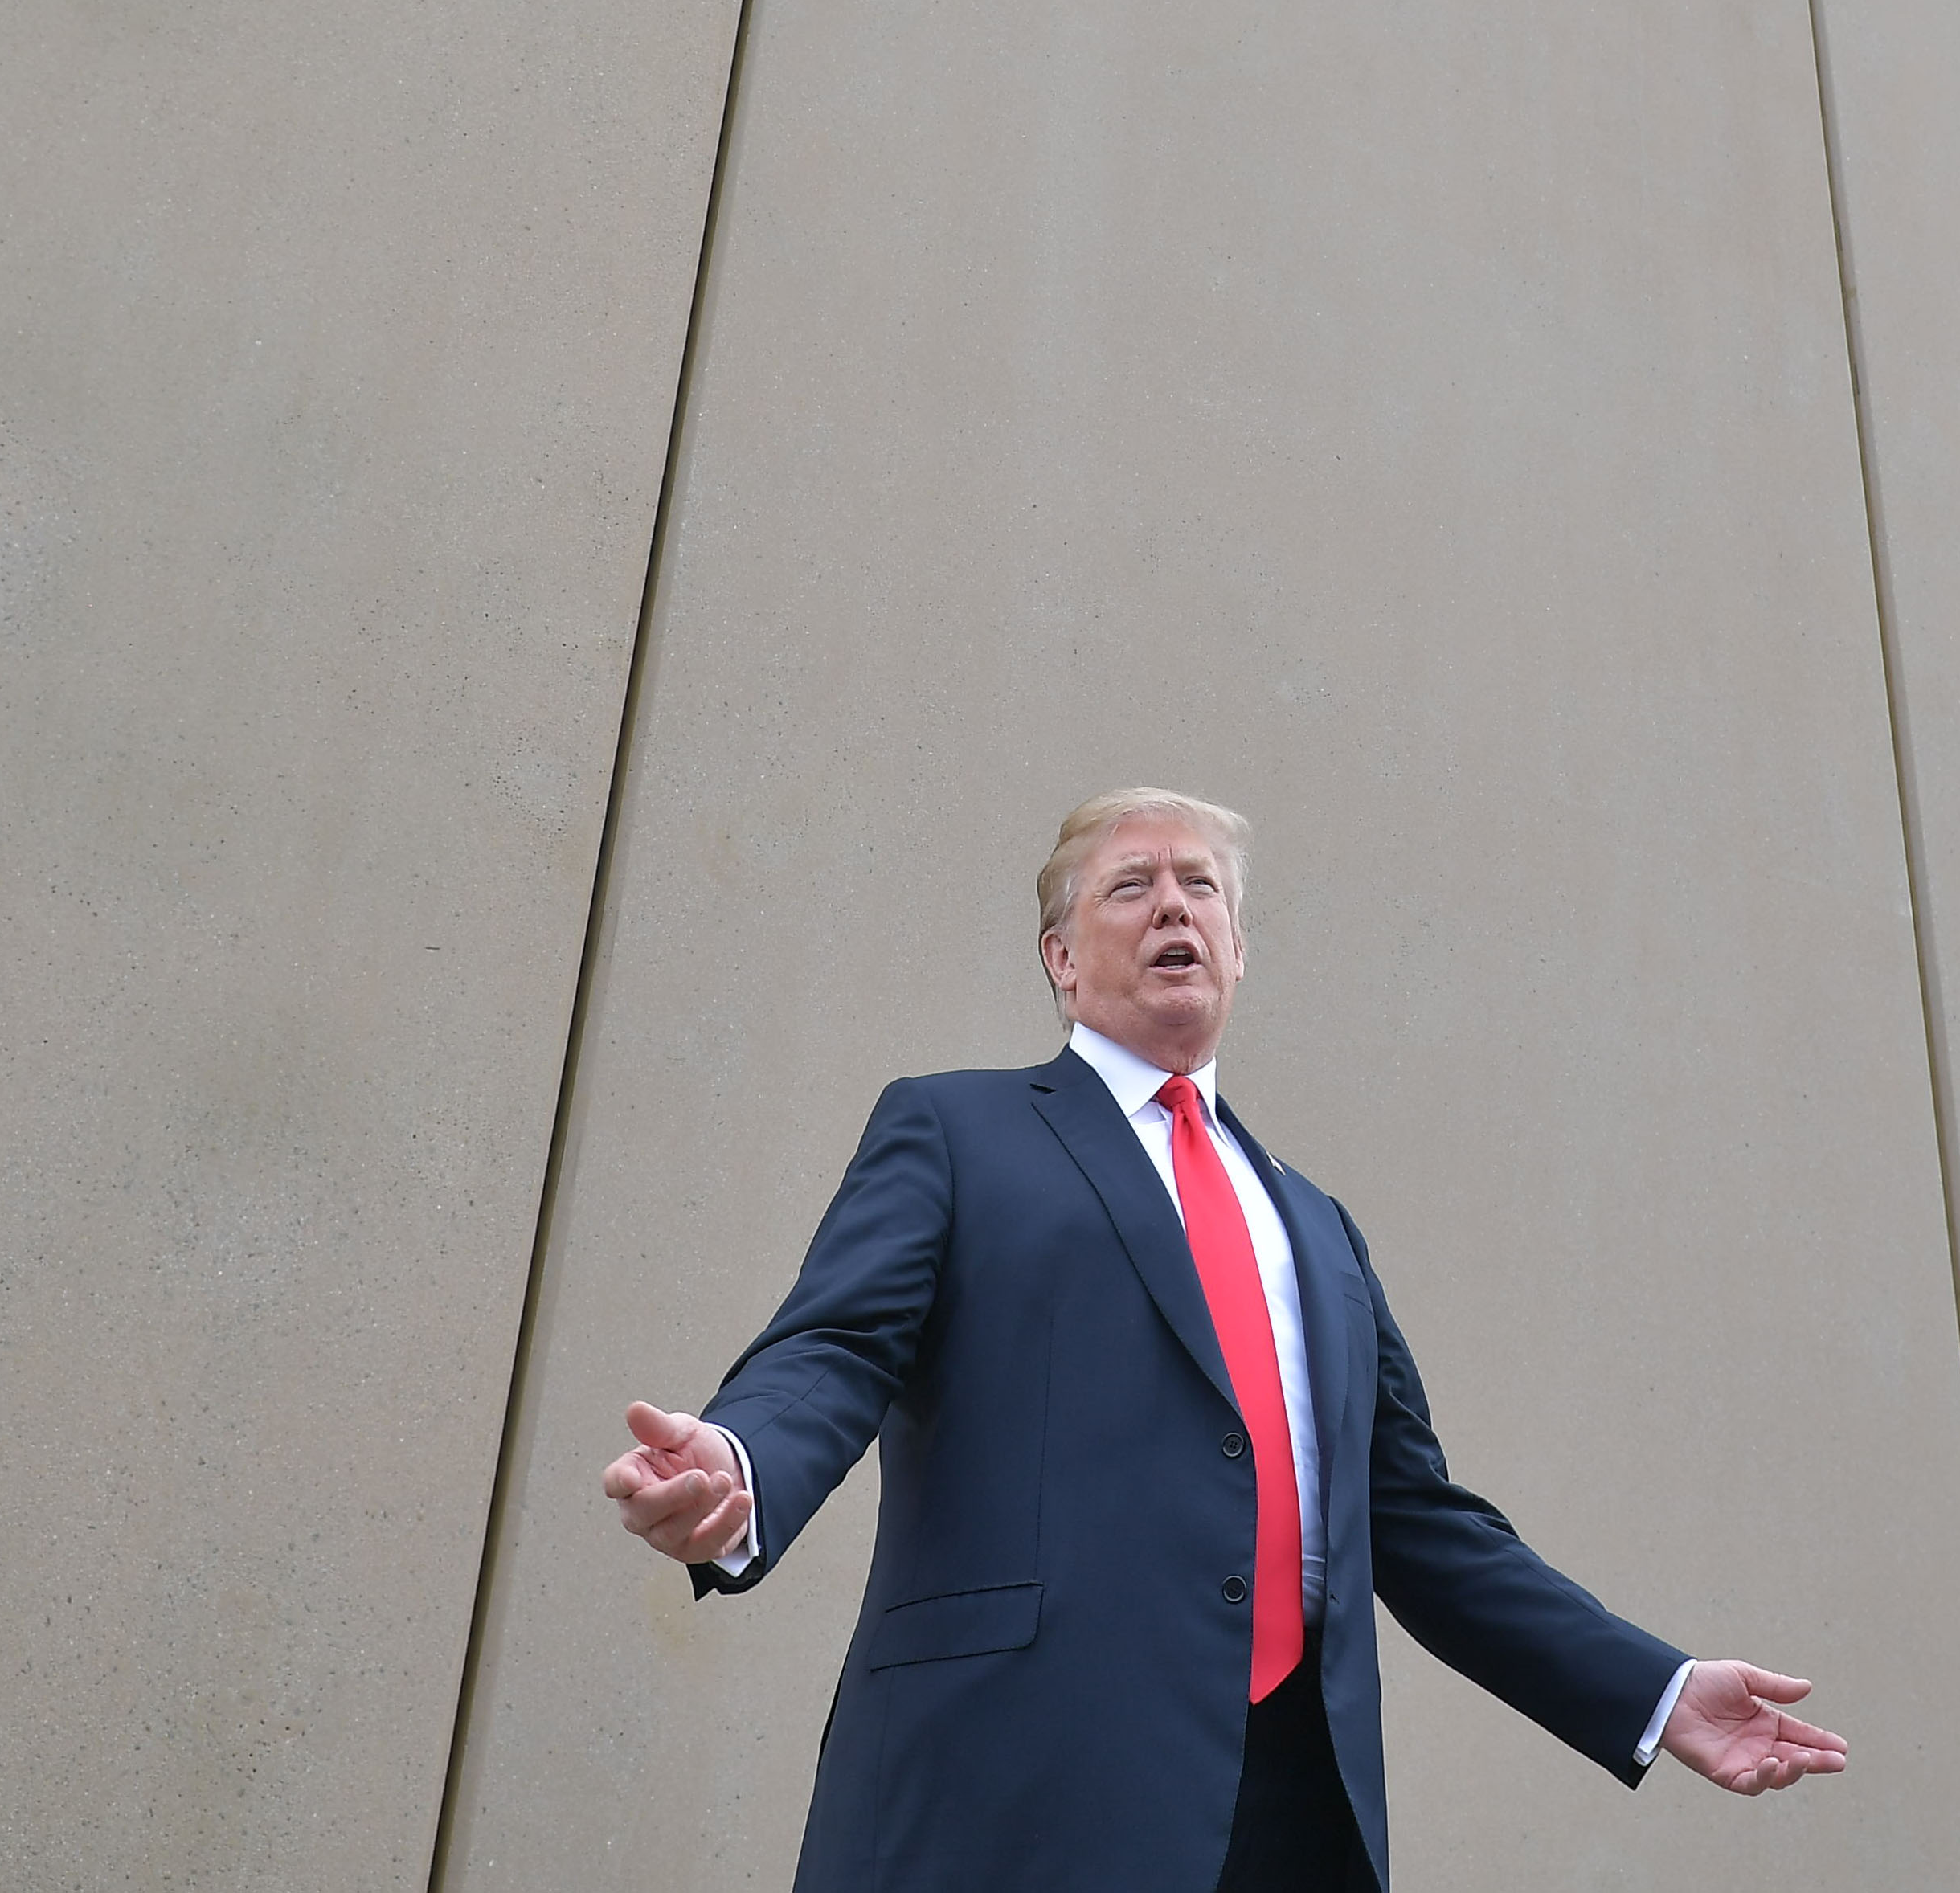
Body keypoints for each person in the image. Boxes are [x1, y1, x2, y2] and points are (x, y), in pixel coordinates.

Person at [599, 788, 1846, 1892]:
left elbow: (1417, 1520)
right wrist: (740, 1462)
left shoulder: (1317, 1226)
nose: (1171, 905)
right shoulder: (954, 1131)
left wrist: (1657, 1689)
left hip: (1287, 1808)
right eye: (1130, 885)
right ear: (1060, 958)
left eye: (1200, 885)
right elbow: (837, 1346)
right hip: (1012, 1778)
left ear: (1239, 950)